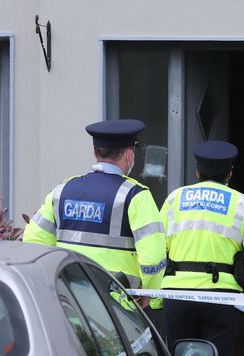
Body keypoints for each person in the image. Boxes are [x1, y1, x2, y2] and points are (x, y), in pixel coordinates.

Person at [23, 119, 167, 296]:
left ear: (94, 152)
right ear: (129, 155)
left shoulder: (62, 190)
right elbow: (153, 258)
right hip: (118, 306)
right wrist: (149, 295)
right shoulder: (136, 195)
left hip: (70, 300)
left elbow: (33, 240)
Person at [160, 140, 244, 356]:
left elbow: (156, 250)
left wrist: (156, 297)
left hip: (177, 296)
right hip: (221, 299)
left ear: (197, 172)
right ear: (230, 174)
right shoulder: (241, 203)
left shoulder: (174, 199)